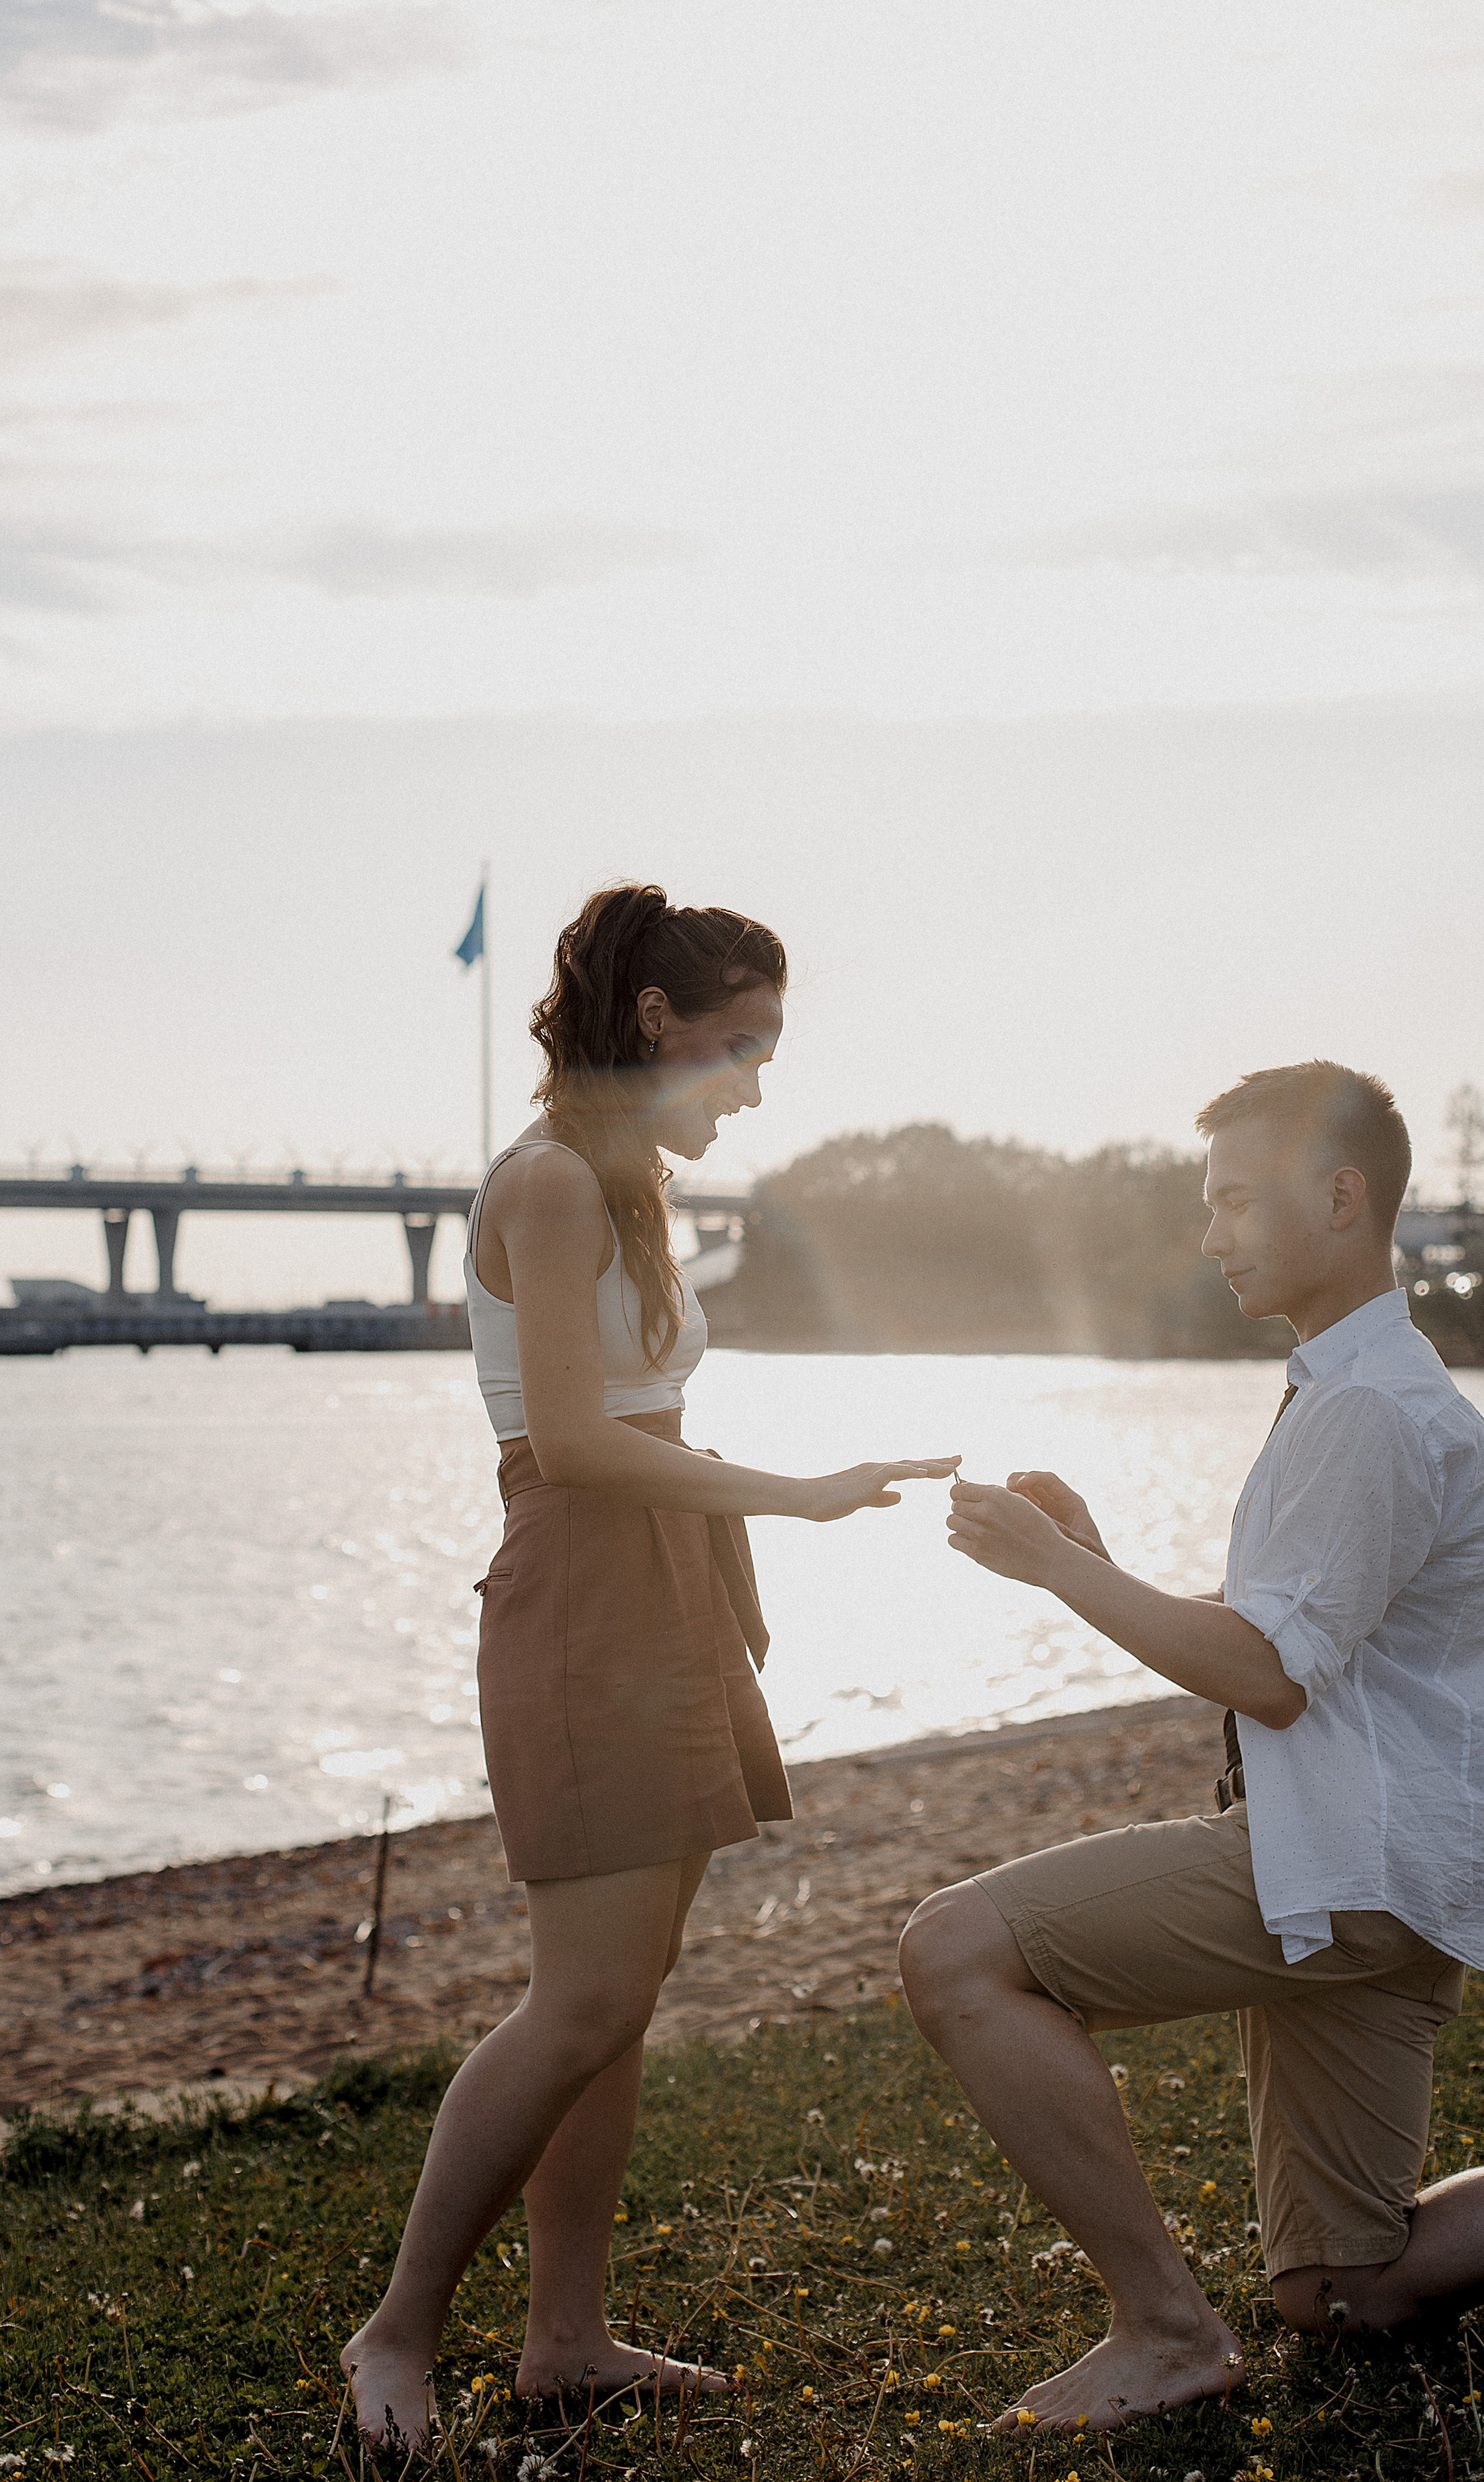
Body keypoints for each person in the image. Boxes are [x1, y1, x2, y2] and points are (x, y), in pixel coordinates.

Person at [900, 1061, 1484, 2441]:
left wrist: (1056, 1566)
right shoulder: (1364, 1391)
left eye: (1235, 1199)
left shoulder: (1368, 1410)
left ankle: (1165, 2332)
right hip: (1391, 1867)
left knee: (955, 1950)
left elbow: (1269, 1679)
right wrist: (1103, 1562)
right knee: (1347, 2288)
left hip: (1344, 1860)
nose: (1211, 1233)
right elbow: (1288, 1638)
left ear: (1341, 1197)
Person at [343, 883, 956, 2450]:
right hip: (584, 1589)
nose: (752, 1088)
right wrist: (794, 1495)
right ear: (652, 1021)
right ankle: (394, 2336)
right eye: (739, 1050)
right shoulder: (550, 1184)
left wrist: (748, 1522)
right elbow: (565, 1441)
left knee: (622, 1997)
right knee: (582, 1999)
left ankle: (566, 2340)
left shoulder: (627, 1188)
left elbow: (639, 1416)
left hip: (665, 1581)